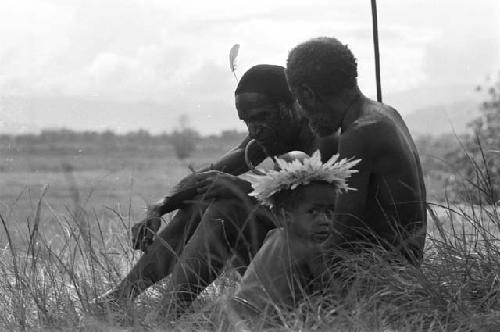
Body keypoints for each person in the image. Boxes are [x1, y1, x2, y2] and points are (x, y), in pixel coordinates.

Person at [99, 64, 339, 313]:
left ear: (294, 106)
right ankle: (120, 297)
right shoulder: (265, 136)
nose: (254, 130)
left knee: (228, 206)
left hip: (324, 271)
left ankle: (164, 315)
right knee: (204, 197)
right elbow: (205, 177)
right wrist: (158, 208)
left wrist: (240, 188)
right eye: (248, 121)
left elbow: (322, 216)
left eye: (262, 117)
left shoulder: (325, 140)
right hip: (281, 257)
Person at [285, 37, 427, 265]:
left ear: (308, 93)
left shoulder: (359, 134)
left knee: (279, 244)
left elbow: (343, 230)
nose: (302, 111)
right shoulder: (386, 113)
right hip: (402, 265)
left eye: (299, 100)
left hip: (382, 272)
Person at [229, 151, 361, 316]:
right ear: (284, 214)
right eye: (312, 212)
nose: (324, 220)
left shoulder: (272, 236)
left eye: (330, 212)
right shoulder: (310, 249)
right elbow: (335, 301)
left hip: (234, 318)